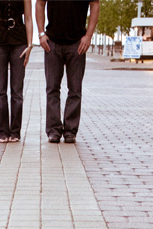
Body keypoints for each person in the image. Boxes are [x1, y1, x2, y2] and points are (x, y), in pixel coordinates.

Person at [35, 0, 99, 143]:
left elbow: (95, 4)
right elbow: (40, 3)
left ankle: (70, 130)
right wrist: (41, 33)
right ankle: (53, 130)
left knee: (75, 90)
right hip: (52, 42)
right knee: (52, 88)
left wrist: (88, 36)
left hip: (77, 43)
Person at [0, 1, 34, 143]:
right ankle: (2, 131)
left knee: (17, 91)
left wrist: (30, 44)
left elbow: (29, 18)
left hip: (19, 42)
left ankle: (15, 131)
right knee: (0, 90)